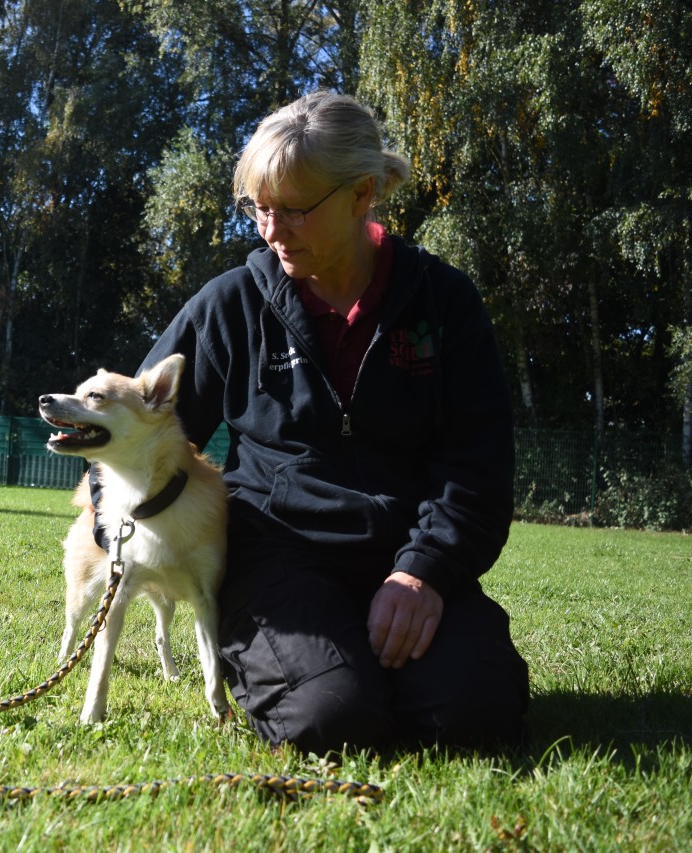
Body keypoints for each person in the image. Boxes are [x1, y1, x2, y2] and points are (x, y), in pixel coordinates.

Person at [134, 91, 529, 754]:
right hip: (278, 559)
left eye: (293, 209)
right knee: (333, 718)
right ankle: (334, 673)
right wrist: (120, 515)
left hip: (409, 558)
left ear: (362, 194)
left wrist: (425, 572)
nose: (270, 228)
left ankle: (378, 662)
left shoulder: (445, 303)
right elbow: (146, 429)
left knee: (477, 715)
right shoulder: (229, 306)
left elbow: (479, 465)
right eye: (259, 207)